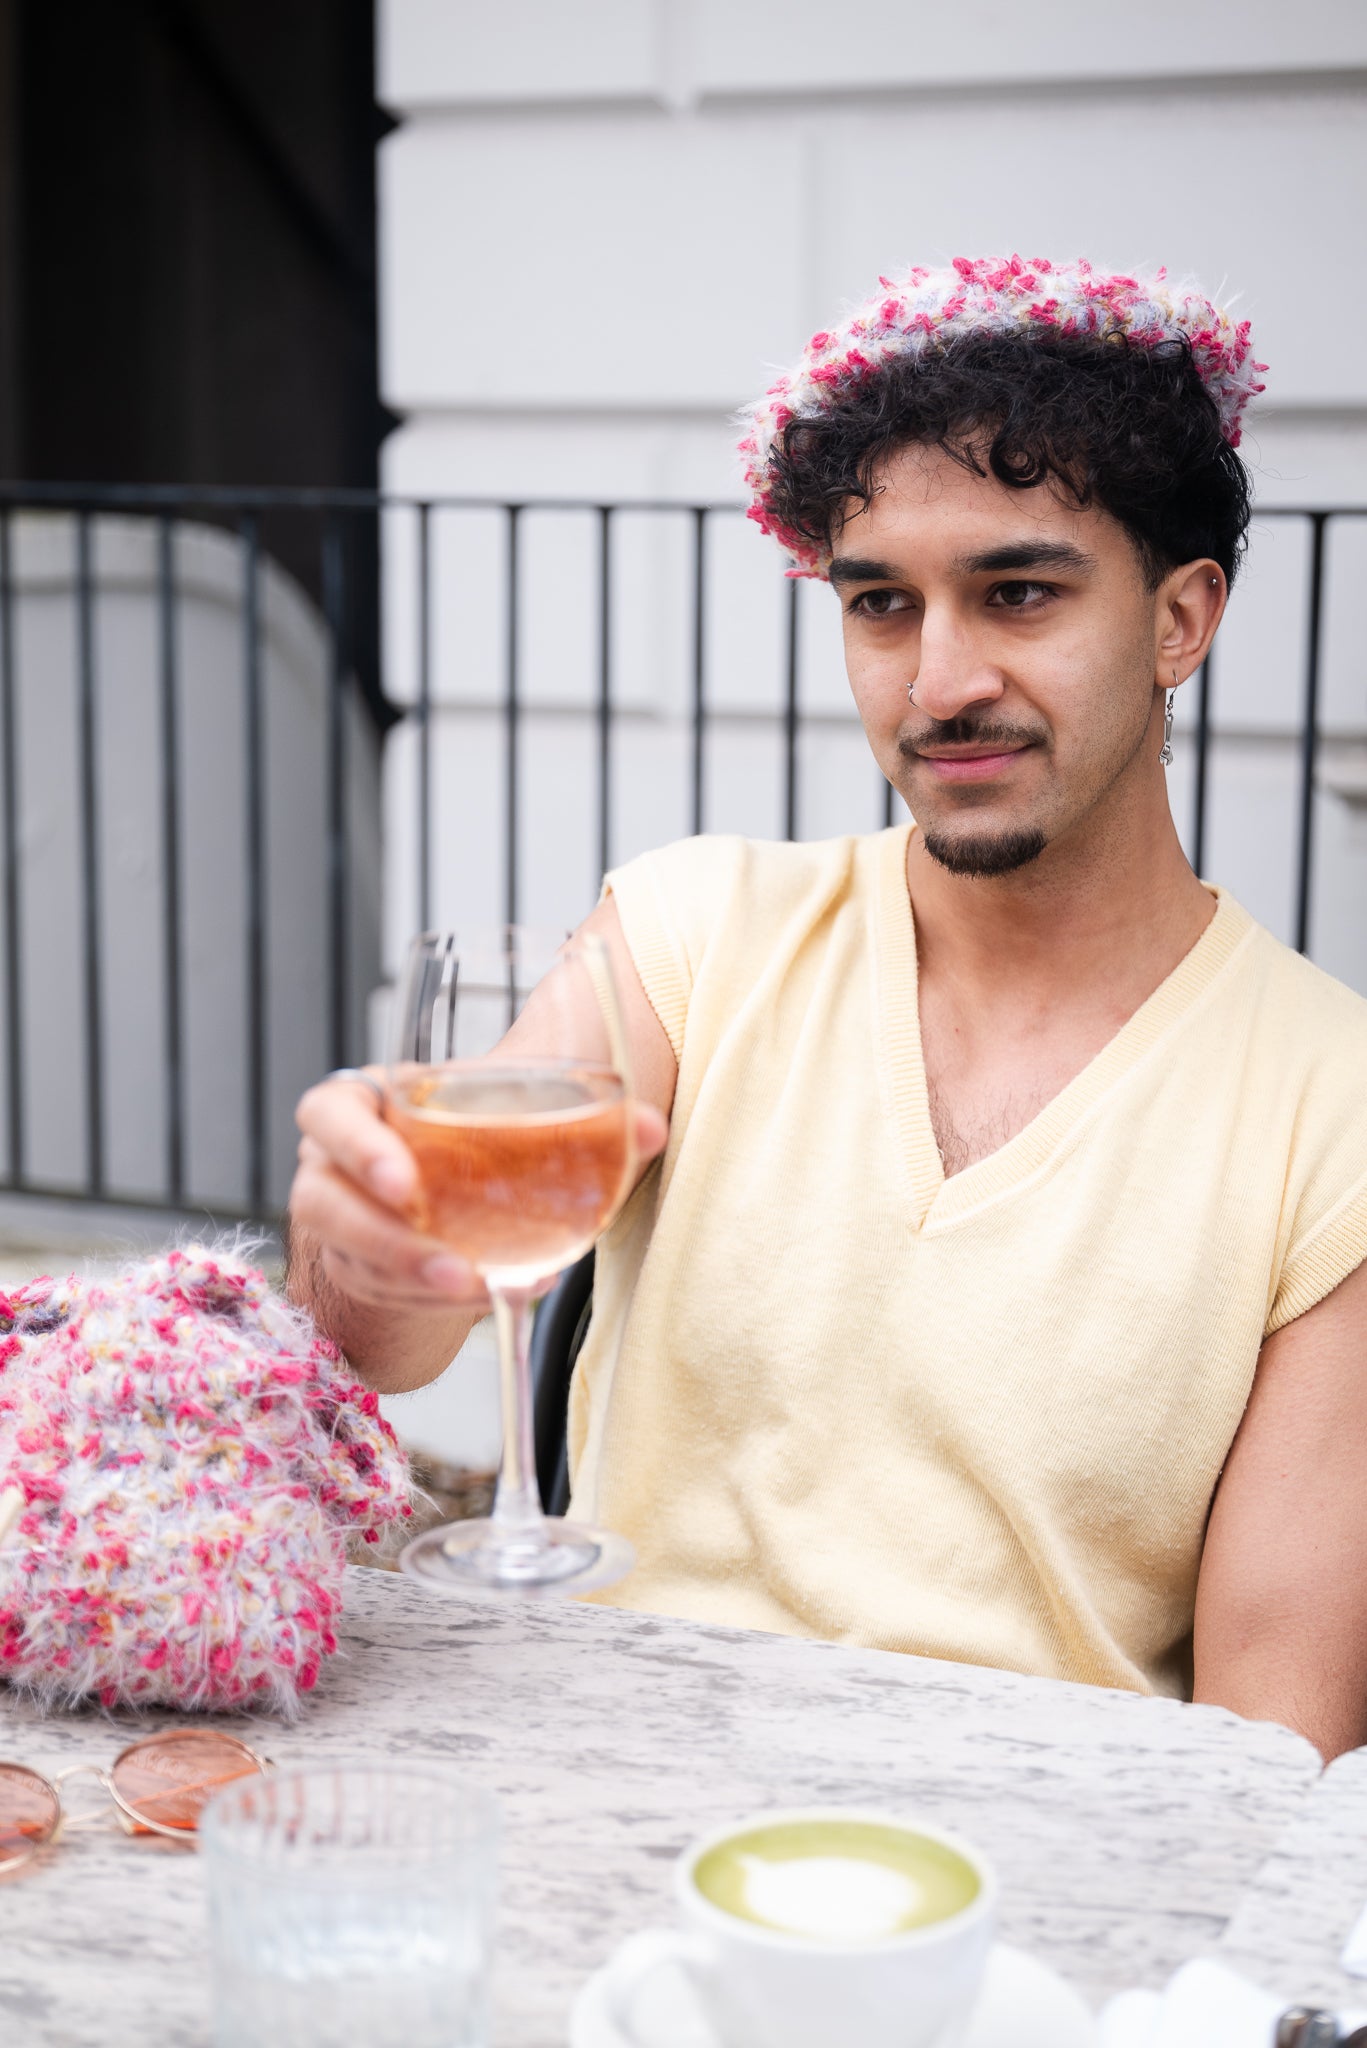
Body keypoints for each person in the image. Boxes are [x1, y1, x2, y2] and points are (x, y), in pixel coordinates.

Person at [288, 257, 1367, 1759]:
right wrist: (371, 1248)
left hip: (1015, 1922)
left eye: (1019, 593)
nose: (938, 681)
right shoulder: (690, 932)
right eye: (881, 605)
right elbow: (383, 1334)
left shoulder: (1335, 1105)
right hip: (605, 1810)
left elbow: (1274, 1755)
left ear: (1182, 621)